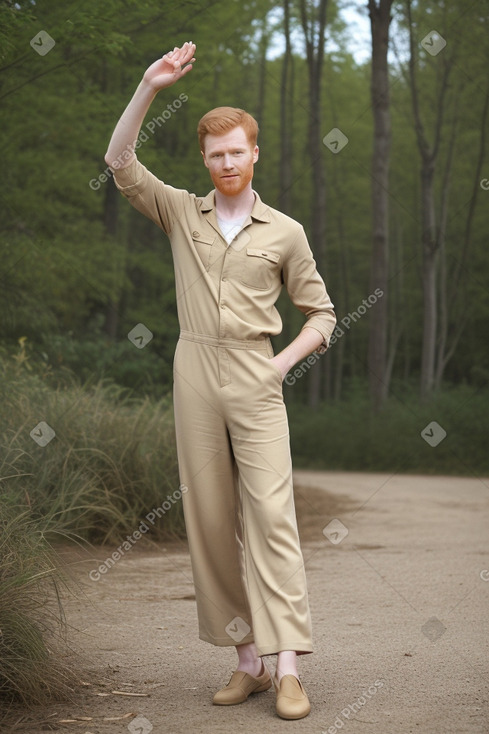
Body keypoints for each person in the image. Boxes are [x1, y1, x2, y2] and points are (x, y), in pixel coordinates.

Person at [105, 41, 336, 721]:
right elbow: (119, 162)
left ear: (253, 152)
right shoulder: (181, 212)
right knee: (207, 521)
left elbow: (321, 313)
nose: (226, 163)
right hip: (193, 372)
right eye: (215, 155)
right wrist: (149, 85)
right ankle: (247, 664)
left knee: (271, 516)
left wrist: (279, 363)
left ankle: (288, 666)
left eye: (236, 151)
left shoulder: (285, 233)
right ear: (204, 161)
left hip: (255, 374)